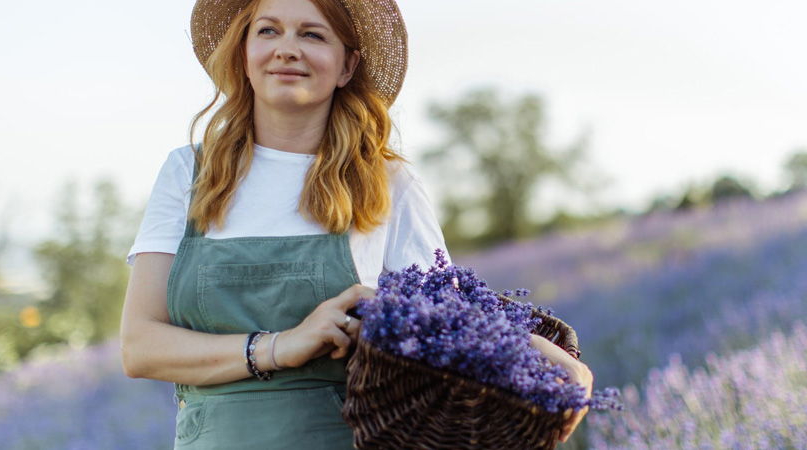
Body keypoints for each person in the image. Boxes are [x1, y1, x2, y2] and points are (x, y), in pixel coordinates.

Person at [120, 0, 593, 447]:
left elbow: (447, 322)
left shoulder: (387, 181)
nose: (287, 48)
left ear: (347, 66)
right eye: (268, 30)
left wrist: (549, 360)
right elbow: (140, 346)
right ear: (244, 53)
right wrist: (281, 346)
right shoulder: (189, 173)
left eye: (312, 34)